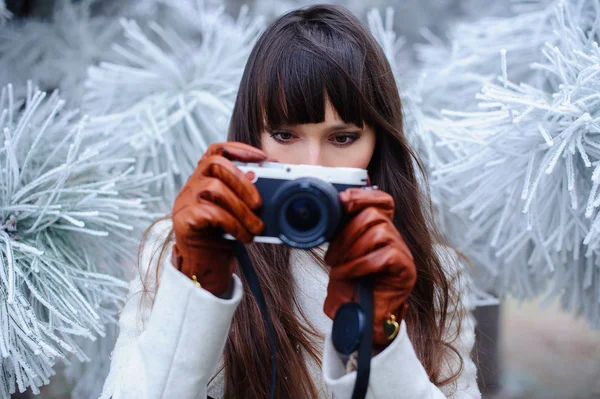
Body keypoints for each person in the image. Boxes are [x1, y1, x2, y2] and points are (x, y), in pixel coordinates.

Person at [100, 4, 481, 399]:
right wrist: (200, 284)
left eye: (343, 138)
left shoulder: (426, 269)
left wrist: (382, 340)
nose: (311, 166)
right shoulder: (178, 250)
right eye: (285, 134)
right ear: (252, 137)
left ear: (377, 145)